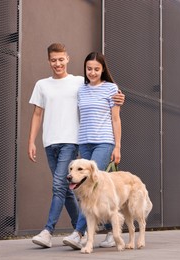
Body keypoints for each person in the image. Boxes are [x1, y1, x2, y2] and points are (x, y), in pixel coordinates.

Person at [28, 43, 124, 248]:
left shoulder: (86, 83)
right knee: (74, 189)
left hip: (88, 141)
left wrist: (117, 146)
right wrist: (31, 141)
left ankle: (62, 232)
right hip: (74, 142)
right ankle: (99, 229)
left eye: (61, 59)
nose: (57, 63)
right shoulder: (80, 86)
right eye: (53, 60)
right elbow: (37, 113)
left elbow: (114, 110)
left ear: (67, 59)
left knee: (63, 186)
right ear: (49, 61)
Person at [62, 51, 121, 250]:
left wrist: (117, 146)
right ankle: (111, 231)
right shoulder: (82, 89)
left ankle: (78, 233)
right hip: (84, 143)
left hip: (104, 142)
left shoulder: (112, 88)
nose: (92, 72)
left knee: (90, 190)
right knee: (92, 191)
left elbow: (115, 119)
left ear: (103, 69)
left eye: (96, 69)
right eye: (89, 69)